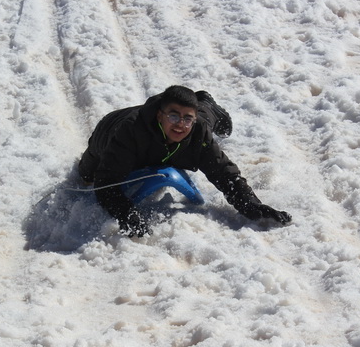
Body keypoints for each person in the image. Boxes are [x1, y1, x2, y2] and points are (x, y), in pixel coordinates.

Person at [78, 85, 292, 236]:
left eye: (187, 118)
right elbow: (106, 183)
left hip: (181, 130)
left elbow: (224, 173)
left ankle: (206, 103)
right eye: (173, 116)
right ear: (160, 115)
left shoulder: (197, 129)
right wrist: (127, 214)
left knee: (204, 117)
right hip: (109, 129)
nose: (180, 124)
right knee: (86, 175)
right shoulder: (129, 132)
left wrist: (252, 205)